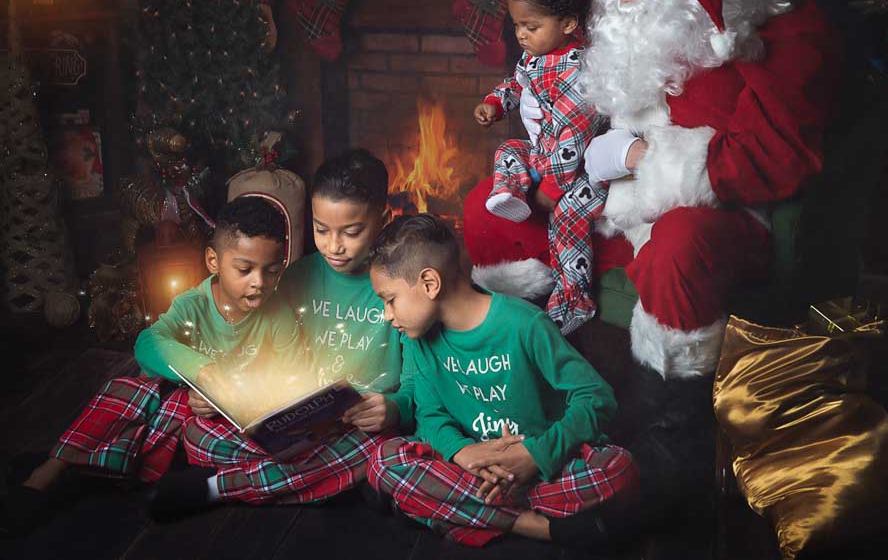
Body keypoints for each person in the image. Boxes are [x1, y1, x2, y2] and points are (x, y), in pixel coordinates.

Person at [462, 0, 842, 517]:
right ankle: (527, 395)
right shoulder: (617, 23)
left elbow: (776, 157)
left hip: (715, 215)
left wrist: (643, 162)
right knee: (488, 207)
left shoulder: (779, 27)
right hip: (609, 203)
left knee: (678, 245)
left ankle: (673, 455)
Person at [1, 196, 296, 536]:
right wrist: (203, 374)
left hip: (215, 429)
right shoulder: (193, 305)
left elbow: (286, 378)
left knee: (205, 429)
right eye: (244, 270)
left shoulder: (279, 315)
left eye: (271, 271)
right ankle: (50, 470)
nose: (259, 281)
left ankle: (89, 467)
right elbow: (148, 344)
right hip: (164, 417)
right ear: (214, 261)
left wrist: (236, 400)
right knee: (136, 392)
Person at [366, 215, 638, 549]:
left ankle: (451, 512)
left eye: (389, 298)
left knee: (618, 469)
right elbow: (430, 416)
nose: (386, 314)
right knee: (383, 463)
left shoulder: (524, 324)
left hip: (537, 466)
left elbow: (595, 396)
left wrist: (534, 455)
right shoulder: (418, 340)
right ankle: (535, 526)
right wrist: (465, 453)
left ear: (429, 283)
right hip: (471, 469)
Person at [166, 148, 414, 513]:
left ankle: (220, 487)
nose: (334, 246)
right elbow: (258, 352)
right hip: (291, 425)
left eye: (351, 231)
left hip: (360, 427)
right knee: (197, 433)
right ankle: (328, 480)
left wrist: (394, 408)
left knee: (382, 451)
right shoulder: (292, 278)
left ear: (384, 218)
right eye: (321, 229)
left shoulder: (398, 289)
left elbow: (416, 379)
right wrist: (221, 393)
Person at [473, 0, 606, 335]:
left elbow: (573, 140)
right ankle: (509, 193)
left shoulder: (580, 74)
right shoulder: (536, 56)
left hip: (580, 171)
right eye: (517, 25)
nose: (521, 35)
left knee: (568, 219)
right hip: (543, 153)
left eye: (531, 26)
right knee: (507, 150)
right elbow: (517, 82)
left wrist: (550, 190)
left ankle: (574, 300)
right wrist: (496, 103)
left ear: (567, 23)